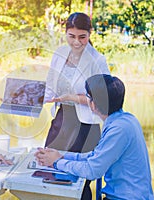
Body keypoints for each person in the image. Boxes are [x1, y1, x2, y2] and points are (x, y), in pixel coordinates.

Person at [35, 74, 154, 200]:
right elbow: (96, 156)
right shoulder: (125, 120)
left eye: (88, 97)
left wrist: (56, 162)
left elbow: (92, 170)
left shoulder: (118, 130)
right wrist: (62, 155)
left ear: (94, 104)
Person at [44, 12, 110, 199]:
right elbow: (50, 88)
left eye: (82, 37)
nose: (76, 42)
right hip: (61, 121)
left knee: (78, 181)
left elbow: (102, 100)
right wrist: (22, 101)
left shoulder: (98, 60)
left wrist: (72, 98)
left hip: (85, 126)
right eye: (71, 36)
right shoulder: (59, 55)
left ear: (90, 34)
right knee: (50, 174)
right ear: (65, 33)